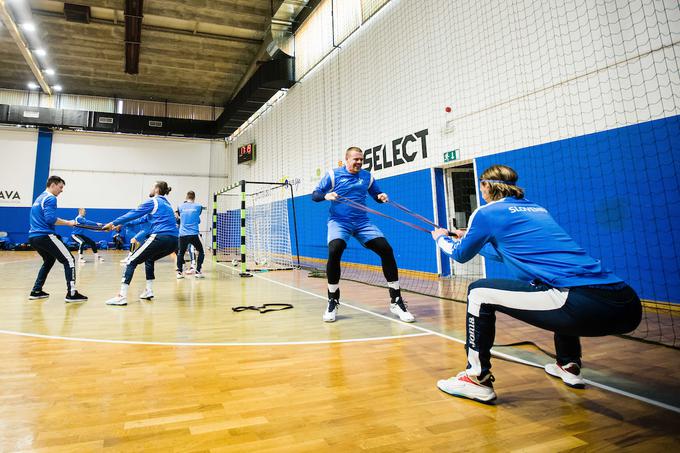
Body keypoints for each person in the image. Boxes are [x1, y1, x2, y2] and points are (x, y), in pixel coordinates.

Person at [431, 164, 641, 403]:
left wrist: (441, 239)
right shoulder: (538, 209)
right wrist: (468, 237)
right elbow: (507, 253)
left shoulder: (485, 212)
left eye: (481, 186)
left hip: (580, 305)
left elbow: (459, 255)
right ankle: (568, 364)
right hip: (627, 304)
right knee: (548, 282)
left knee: (478, 292)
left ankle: (476, 378)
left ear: (486, 186)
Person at [312, 146, 414, 323]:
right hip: (339, 222)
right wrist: (326, 196)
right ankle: (332, 300)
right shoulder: (333, 175)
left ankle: (396, 301)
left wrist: (381, 196)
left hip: (361, 222)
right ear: (347, 159)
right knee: (335, 250)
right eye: (355, 159)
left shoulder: (367, 176)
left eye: (361, 159)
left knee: (386, 249)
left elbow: (376, 194)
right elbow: (315, 195)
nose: (359, 162)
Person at [102, 181, 178, 305]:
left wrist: (113, 223)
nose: (151, 189)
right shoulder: (167, 205)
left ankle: (121, 296)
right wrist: (121, 224)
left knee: (131, 260)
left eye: (153, 186)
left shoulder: (154, 201)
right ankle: (148, 290)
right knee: (149, 259)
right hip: (174, 241)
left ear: (157, 189)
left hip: (161, 236)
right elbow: (142, 218)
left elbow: (133, 214)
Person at [28, 175, 88, 303]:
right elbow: (50, 219)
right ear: (53, 185)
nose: (61, 190)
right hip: (44, 235)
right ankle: (72, 294)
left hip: (33, 237)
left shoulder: (39, 198)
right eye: (60, 187)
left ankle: (36, 290)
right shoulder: (51, 198)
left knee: (49, 260)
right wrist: (68, 223)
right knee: (69, 260)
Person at [175, 190, 205, 279]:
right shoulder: (199, 206)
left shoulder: (180, 206)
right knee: (201, 251)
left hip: (183, 234)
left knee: (181, 253)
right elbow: (197, 216)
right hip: (194, 234)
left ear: (186, 197)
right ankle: (198, 271)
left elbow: (179, 216)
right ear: (194, 198)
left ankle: (179, 272)